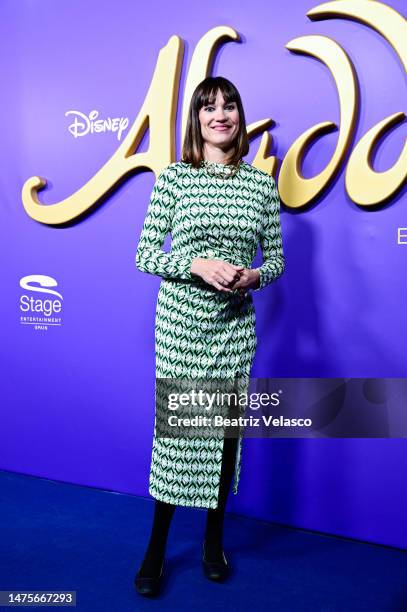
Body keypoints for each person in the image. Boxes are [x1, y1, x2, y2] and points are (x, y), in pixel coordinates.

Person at [134, 76, 285, 597]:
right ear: (196, 119)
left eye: (230, 105)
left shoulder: (262, 185)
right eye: (209, 106)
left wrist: (254, 276)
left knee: (223, 442)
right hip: (180, 328)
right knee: (178, 439)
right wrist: (196, 262)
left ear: (240, 117)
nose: (220, 114)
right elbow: (146, 255)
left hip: (234, 329)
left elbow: (278, 261)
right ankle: (156, 548)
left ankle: (212, 542)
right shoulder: (173, 179)